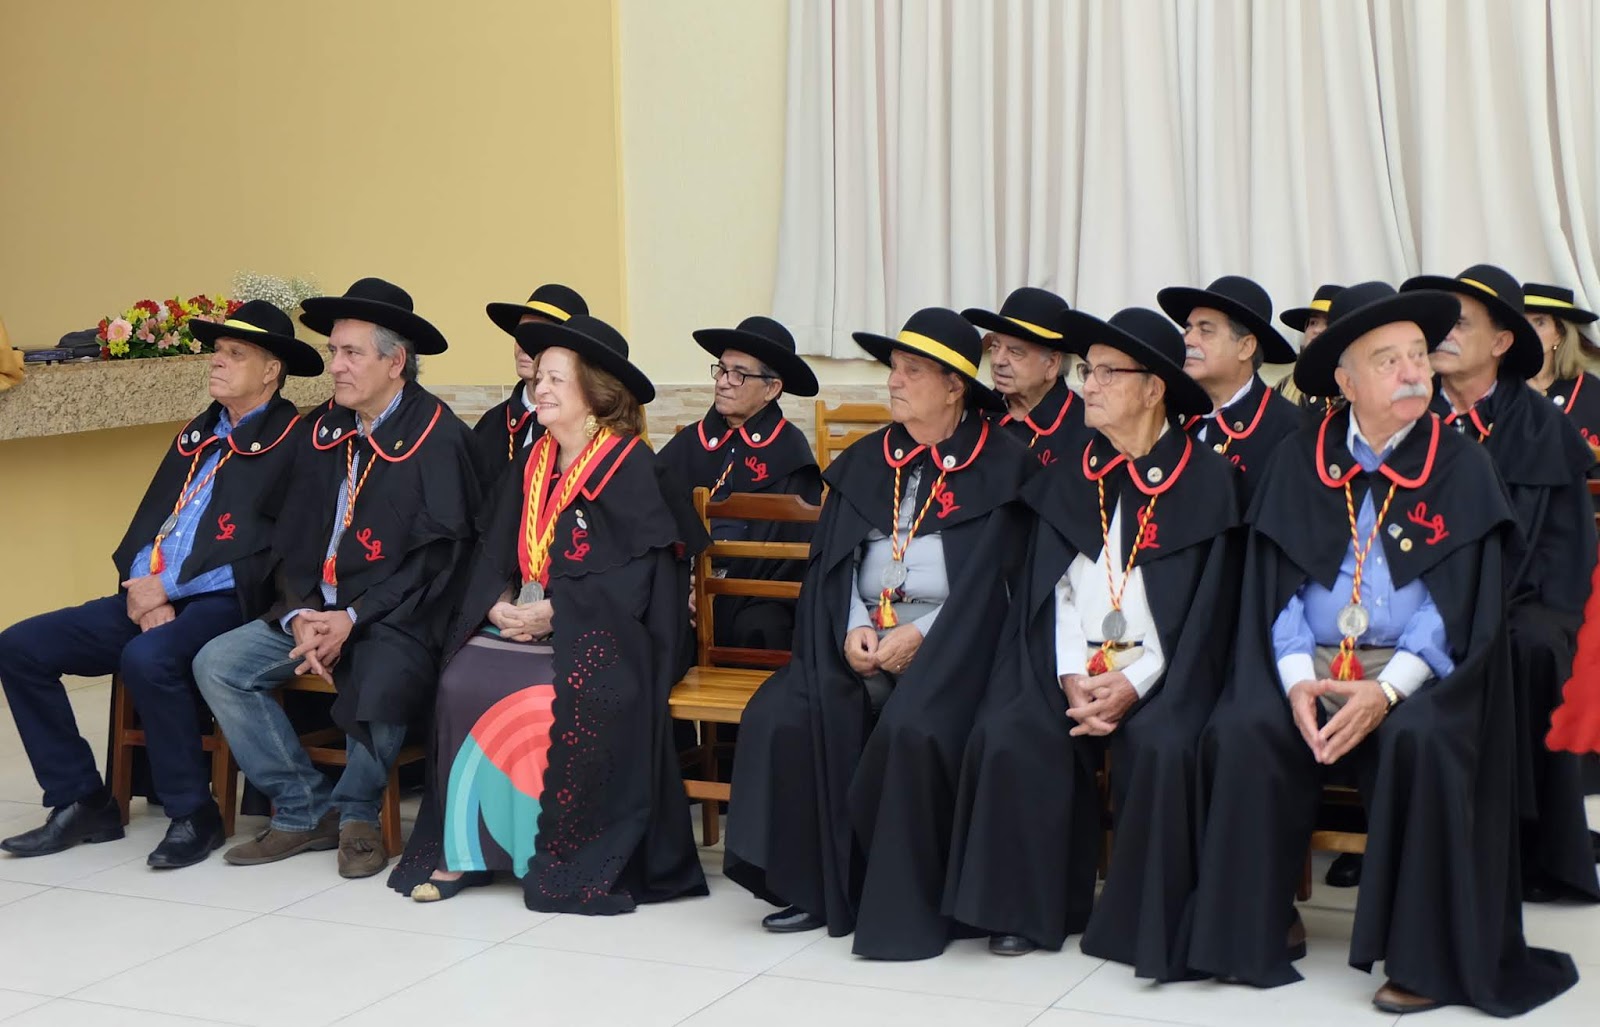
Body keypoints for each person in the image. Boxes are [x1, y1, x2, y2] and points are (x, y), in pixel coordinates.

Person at [1187, 281, 1579, 1016]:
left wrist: (1387, 689)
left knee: (1425, 740)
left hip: (1421, 672)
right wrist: (1297, 680)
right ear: (1345, 382)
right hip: (1312, 660)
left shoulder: (1461, 466)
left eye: (1417, 357)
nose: (1412, 373)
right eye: (1388, 360)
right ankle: (1258, 923)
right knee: (1242, 728)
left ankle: (1425, 955)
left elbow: (1453, 608)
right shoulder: (1299, 459)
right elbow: (1274, 590)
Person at [724, 308, 1033, 960]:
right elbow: (831, 567)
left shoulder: (1004, 466)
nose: (894, 381)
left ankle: (906, 896)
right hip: (864, 635)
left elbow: (997, 584)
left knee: (914, 729)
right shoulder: (867, 461)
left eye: (912, 371)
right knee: (782, 712)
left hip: (957, 645)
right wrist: (854, 627)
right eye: (894, 368)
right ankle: (814, 884)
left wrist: (924, 637)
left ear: (954, 386)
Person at [944, 307, 1238, 976]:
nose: (1089, 385)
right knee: (1010, 728)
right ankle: (1024, 908)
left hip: (1167, 671)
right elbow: (1054, 591)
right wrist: (1072, 673)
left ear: (1154, 388)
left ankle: (1145, 920)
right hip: (1075, 664)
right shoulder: (1073, 473)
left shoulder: (1209, 480)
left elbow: (1206, 616)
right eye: (1087, 371)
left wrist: (1135, 681)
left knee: (1165, 744)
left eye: (1107, 373)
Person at [387, 314, 710, 911]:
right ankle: (467, 849)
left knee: (548, 695)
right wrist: (496, 602)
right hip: (529, 615)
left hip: (610, 631)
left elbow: (638, 581)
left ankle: (552, 853)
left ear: (596, 393)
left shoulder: (630, 465)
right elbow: (493, 552)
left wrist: (560, 613)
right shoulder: (534, 461)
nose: (541, 388)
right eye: (540, 377)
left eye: (557, 379)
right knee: (459, 677)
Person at [0, 301, 321, 868]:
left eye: (235, 354)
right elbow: (150, 523)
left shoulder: (295, 442)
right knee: (20, 647)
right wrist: (143, 585)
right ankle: (82, 799)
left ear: (272, 371)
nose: (217, 362)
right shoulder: (198, 432)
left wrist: (168, 589)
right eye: (217, 351)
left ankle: (194, 813)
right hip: (150, 590)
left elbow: (272, 550)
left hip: (229, 600)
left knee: (148, 658)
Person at [193, 278, 480, 880]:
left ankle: (356, 816)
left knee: (384, 670)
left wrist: (353, 617)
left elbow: (438, 560)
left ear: (395, 362)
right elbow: (287, 537)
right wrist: (301, 613)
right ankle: (302, 807)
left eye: (352, 353)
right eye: (333, 352)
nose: (336, 367)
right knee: (218, 663)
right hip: (314, 609)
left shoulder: (438, 436)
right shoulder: (321, 429)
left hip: (395, 615)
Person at [1402, 265, 1599, 903]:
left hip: (1518, 597)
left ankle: (1521, 842)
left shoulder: (1543, 428)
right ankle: (1386, 833)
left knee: (1532, 646)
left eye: (1460, 323)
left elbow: (1564, 555)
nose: (1443, 334)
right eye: (1438, 323)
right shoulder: (1405, 414)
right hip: (1411, 597)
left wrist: (1496, 604)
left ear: (1502, 342)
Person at [657, 315, 822, 652]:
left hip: (753, 591)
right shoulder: (689, 443)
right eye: (721, 370)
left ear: (772, 389)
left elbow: (792, 560)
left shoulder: (791, 455)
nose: (723, 382)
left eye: (739, 374)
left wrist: (718, 591)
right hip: (683, 583)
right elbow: (650, 519)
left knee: (763, 626)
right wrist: (682, 586)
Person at [1158, 276, 1301, 501]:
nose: (1187, 340)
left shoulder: (1290, 431)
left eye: (1205, 331)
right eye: (1188, 329)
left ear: (1245, 347)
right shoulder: (1166, 413)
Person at [962, 287, 1090, 469]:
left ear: (1052, 364)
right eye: (996, 347)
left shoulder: (1084, 428)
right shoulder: (973, 413)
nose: (997, 361)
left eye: (1015, 352)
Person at [472, 283, 589, 480]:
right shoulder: (491, 425)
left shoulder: (590, 428)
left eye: (538, 336)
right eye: (521, 335)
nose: (524, 346)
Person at [1524, 283, 1600, 448]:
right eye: (1523, 322)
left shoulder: (1593, 391)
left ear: (1559, 334)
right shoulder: (1500, 387)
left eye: (1540, 322)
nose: (1528, 331)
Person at [1275, 283, 1344, 421]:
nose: (1316, 330)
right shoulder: (1283, 387)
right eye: (1313, 323)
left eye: (1328, 323)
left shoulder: (1353, 386)